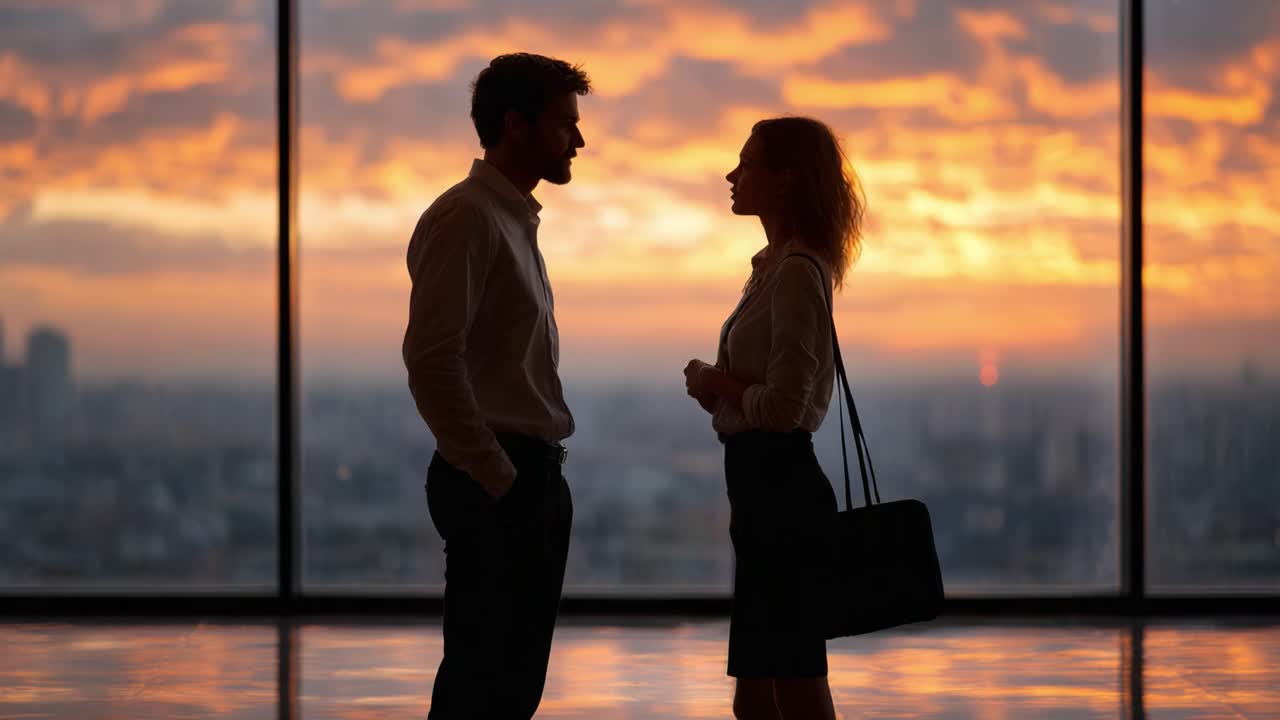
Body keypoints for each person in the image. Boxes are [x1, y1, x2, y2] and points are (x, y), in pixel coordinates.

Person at [402, 52, 590, 719]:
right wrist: (498, 476)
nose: (579, 140)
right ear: (516, 125)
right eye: (565, 124)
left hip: (525, 477)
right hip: (500, 480)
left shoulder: (507, 218)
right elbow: (430, 359)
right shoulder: (470, 218)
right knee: (483, 686)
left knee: (506, 686)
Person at [684, 116, 866, 720]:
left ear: (785, 180)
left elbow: (786, 409)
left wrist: (718, 384)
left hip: (778, 493)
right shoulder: (775, 269)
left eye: (748, 164)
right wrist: (727, 391)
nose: (732, 176)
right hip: (764, 493)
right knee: (764, 687)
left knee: (789, 683)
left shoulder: (791, 275)